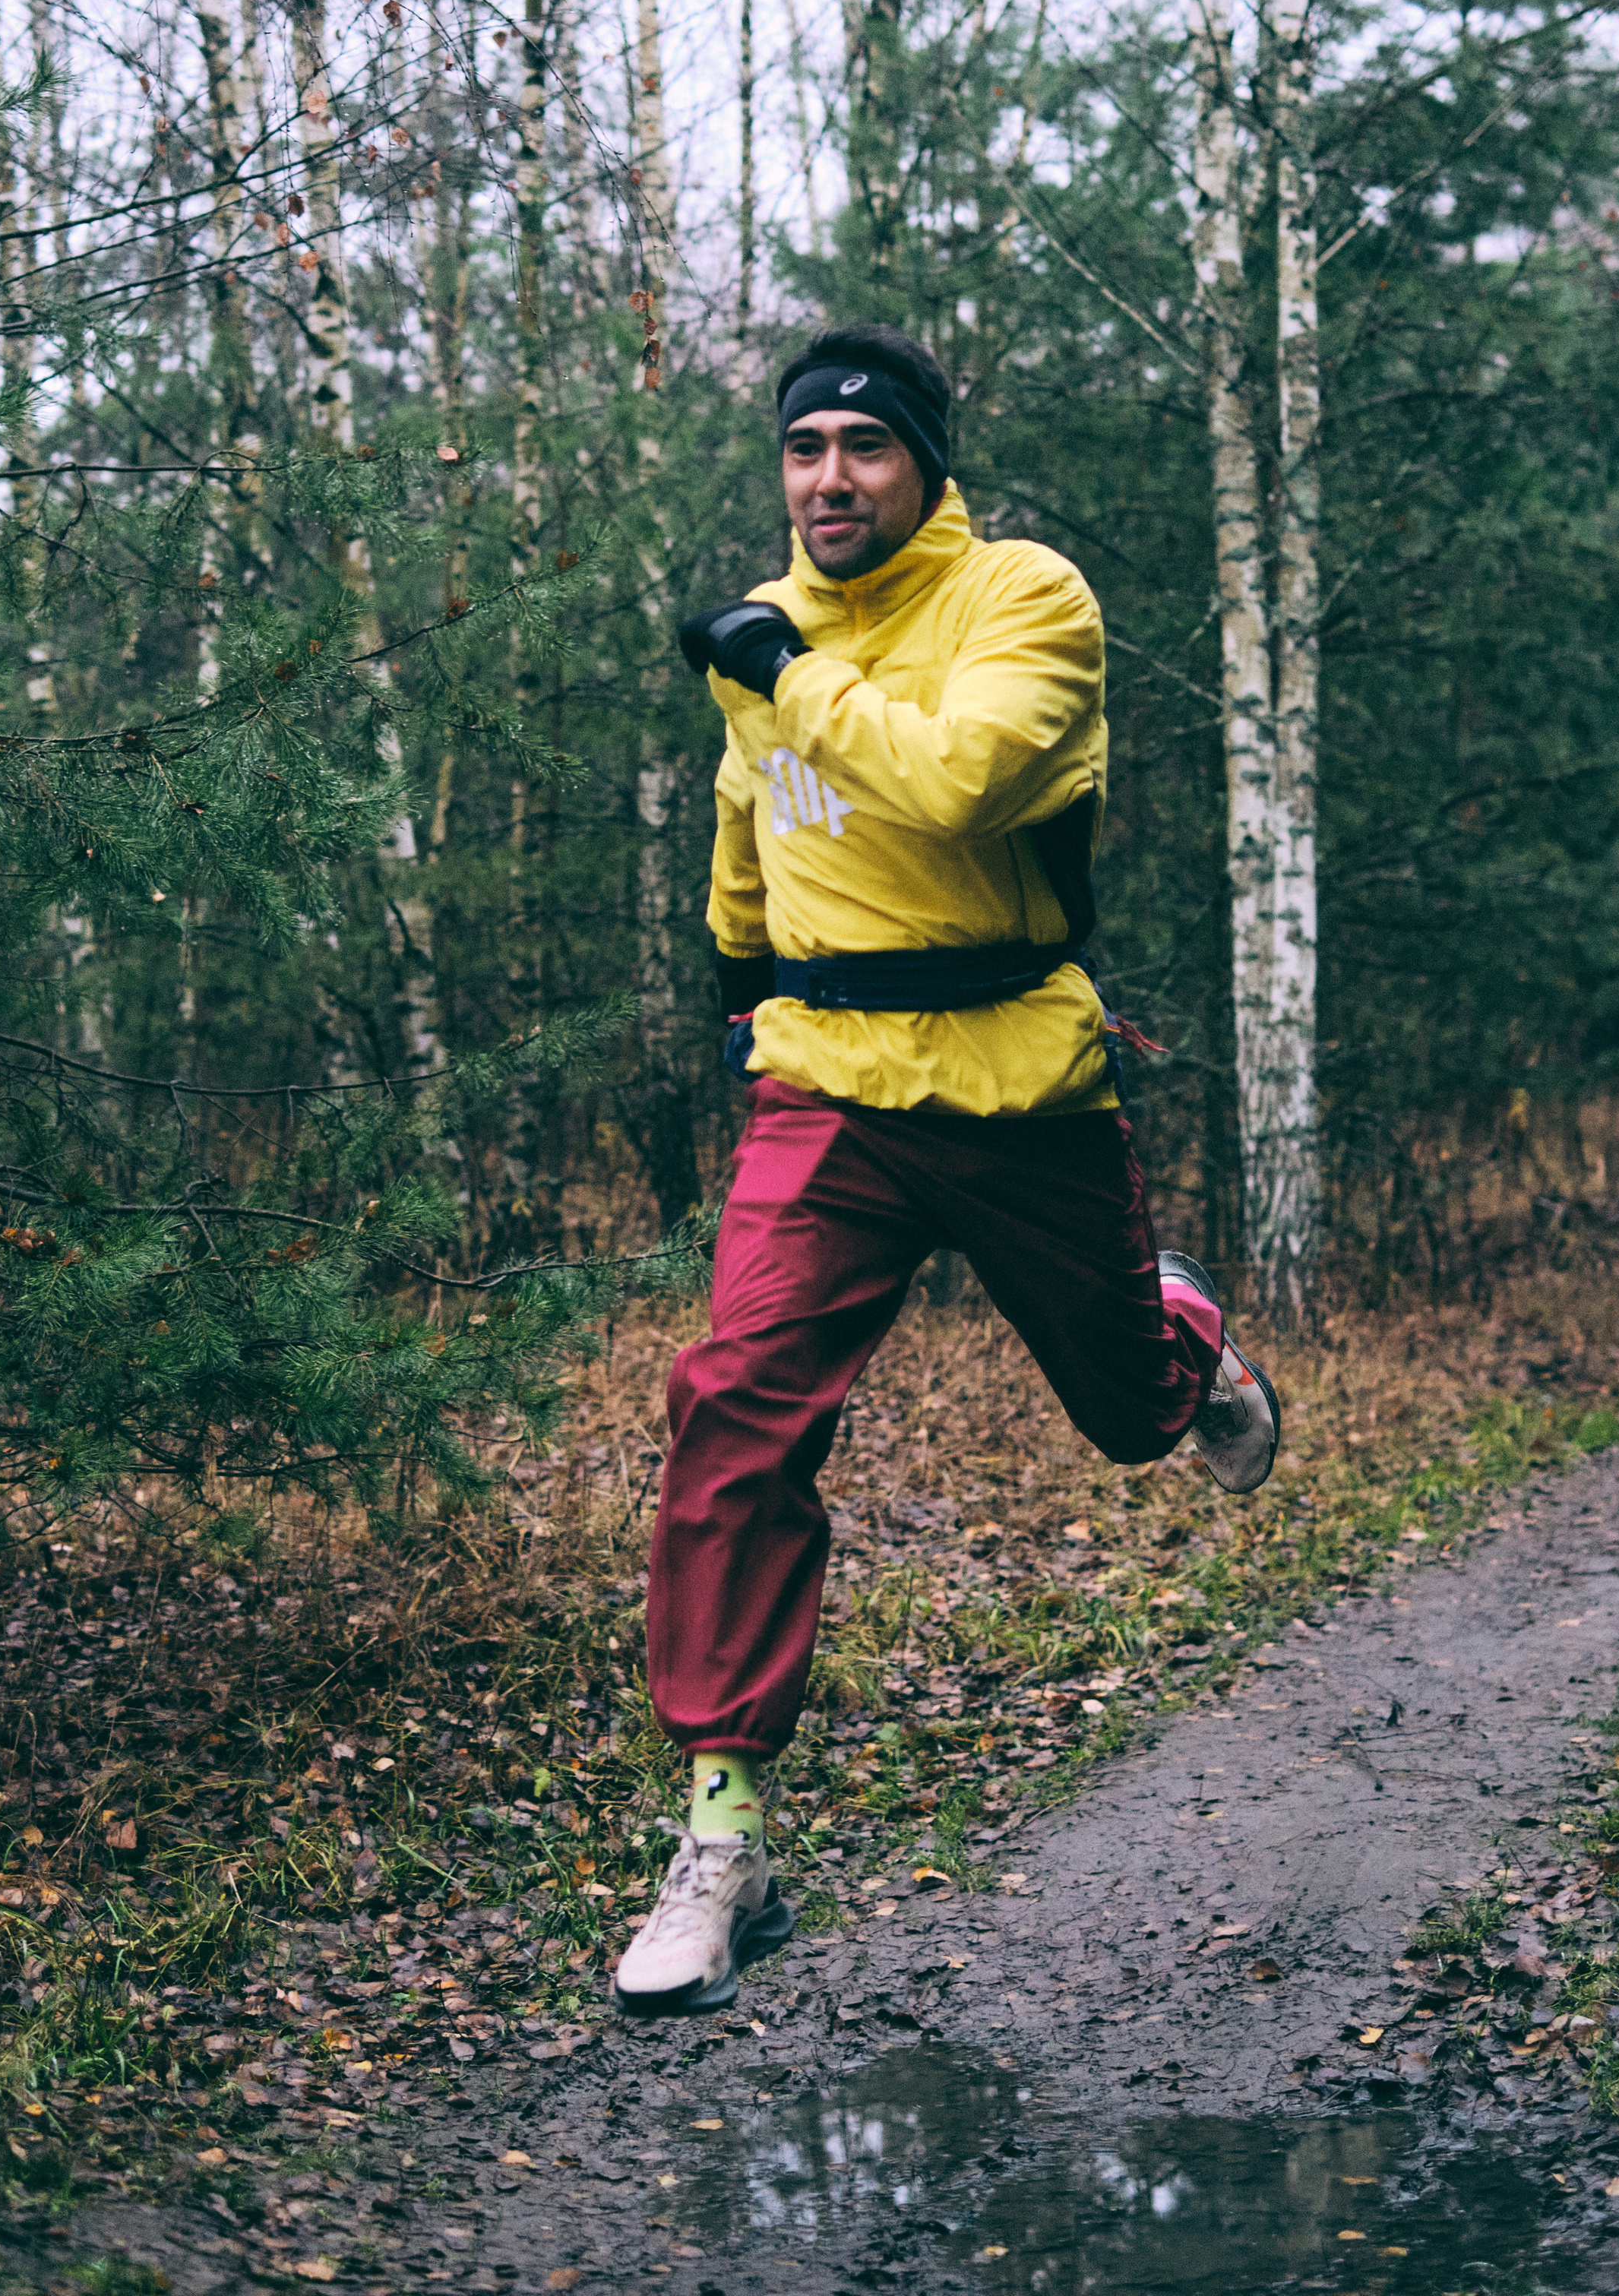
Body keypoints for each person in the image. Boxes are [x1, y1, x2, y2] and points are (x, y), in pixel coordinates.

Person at [612, 322, 1279, 2016]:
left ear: (923, 463)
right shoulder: (766, 636)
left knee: (1127, 1415)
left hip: (1016, 1078)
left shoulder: (1023, 600)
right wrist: (737, 976)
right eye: (802, 449)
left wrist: (785, 672)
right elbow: (752, 821)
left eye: (864, 447)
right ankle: (722, 1839)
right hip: (827, 1086)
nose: (827, 480)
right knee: (733, 1412)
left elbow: (960, 785)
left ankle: (1184, 1341)